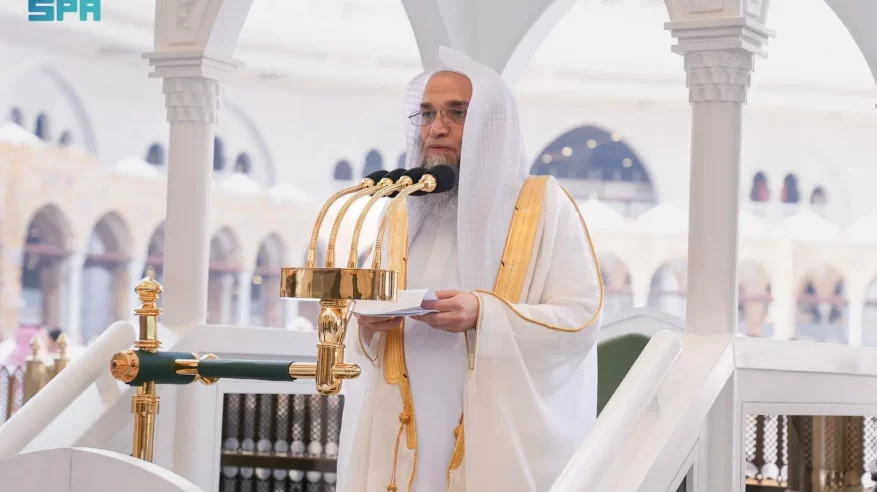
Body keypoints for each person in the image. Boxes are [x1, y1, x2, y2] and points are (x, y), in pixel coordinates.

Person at [338, 47, 604, 492]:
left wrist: (484, 314)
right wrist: (364, 324)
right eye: (427, 113)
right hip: (402, 435)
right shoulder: (401, 213)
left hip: (496, 441)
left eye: (456, 113)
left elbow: (581, 318)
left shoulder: (543, 205)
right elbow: (357, 316)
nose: (436, 128)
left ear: (491, 125)